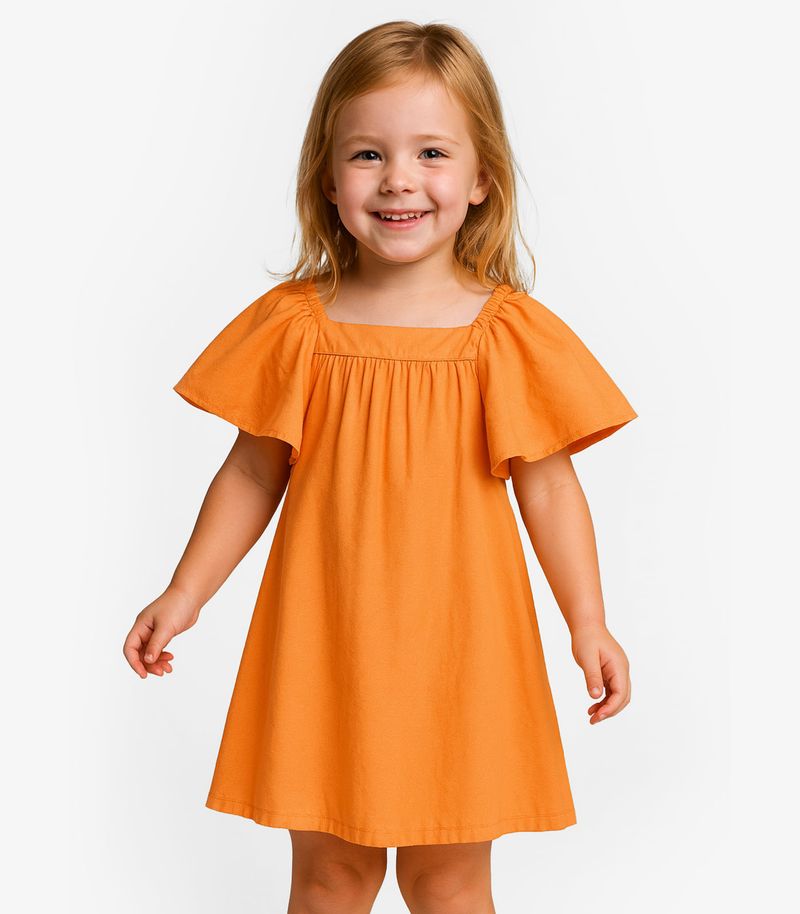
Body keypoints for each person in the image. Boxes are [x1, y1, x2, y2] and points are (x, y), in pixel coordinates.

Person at [123, 19, 639, 914]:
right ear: (328, 179)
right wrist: (185, 592)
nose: (399, 178)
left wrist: (587, 622)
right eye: (368, 153)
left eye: (431, 152)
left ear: (482, 178)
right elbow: (251, 475)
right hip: (326, 639)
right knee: (331, 877)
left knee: (448, 880)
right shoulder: (297, 326)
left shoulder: (507, 334)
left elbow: (551, 487)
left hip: (463, 648)